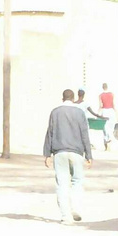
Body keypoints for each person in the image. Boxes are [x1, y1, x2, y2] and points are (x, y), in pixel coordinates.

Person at [43, 88, 92, 224]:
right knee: (77, 181)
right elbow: (84, 134)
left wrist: (47, 154)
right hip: (76, 152)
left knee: (62, 184)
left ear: (62, 98)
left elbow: (50, 133)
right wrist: (89, 155)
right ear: (74, 98)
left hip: (59, 153)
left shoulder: (55, 112)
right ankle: (75, 208)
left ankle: (65, 216)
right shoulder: (79, 112)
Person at [98, 82, 116, 150]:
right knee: (111, 128)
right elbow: (113, 104)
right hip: (111, 111)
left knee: (105, 128)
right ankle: (110, 144)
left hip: (104, 111)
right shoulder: (112, 94)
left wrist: (97, 113)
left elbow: (100, 106)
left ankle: (106, 145)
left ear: (102, 87)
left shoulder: (100, 95)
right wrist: (117, 113)